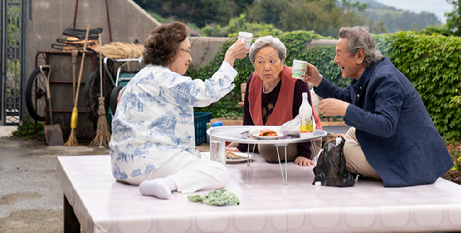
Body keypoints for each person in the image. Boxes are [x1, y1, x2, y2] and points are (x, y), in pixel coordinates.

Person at [109, 22, 248, 199]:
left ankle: (163, 181)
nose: (190, 59)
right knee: (219, 171)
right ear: (170, 52)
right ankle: (166, 183)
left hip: (122, 168)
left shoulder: (138, 79)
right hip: (149, 165)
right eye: (187, 51)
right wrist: (229, 58)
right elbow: (208, 92)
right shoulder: (165, 78)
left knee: (197, 159)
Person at [304, 26, 453, 187]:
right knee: (354, 133)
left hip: (411, 161)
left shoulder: (386, 79)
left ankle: (382, 169)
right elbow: (346, 98)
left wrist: (345, 110)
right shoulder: (366, 75)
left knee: (342, 153)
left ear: (359, 56)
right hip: (394, 142)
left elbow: (386, 125)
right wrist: (318, 80)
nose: (335, 59)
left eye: (339, 53)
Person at [231, 36, 322, 167]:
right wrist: (242, 148)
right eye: (260, 62)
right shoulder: (253, 80)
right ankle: (257, 144)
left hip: (302, 138)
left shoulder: (296, 78)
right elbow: (248, 118)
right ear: (253, 63)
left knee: (267, 149)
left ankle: (260, 145)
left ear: (282, 60)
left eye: (272, 61)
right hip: (267, 136)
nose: (266, 67)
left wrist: (304, 153)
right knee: (231, 144)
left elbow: (306, 118)